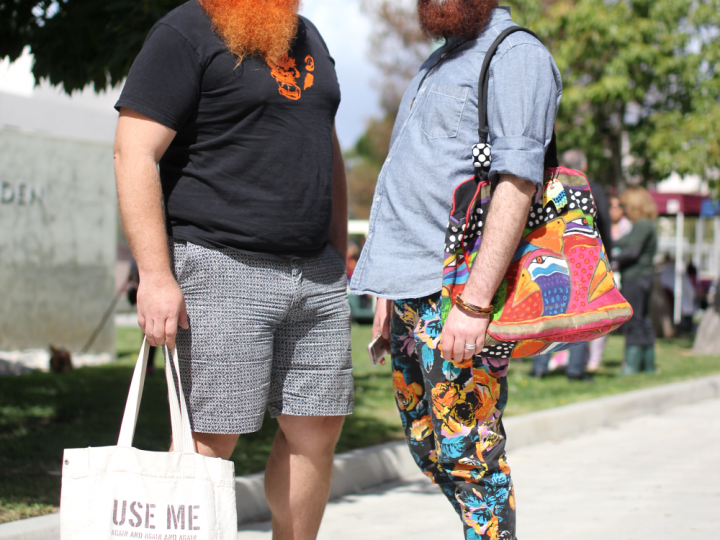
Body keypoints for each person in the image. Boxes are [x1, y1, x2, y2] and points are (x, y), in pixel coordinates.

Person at [113, 1, 353, 537]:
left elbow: (323, 140)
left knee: (316, 433)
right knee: (208, 440)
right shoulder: (185, 31)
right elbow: (133, 153)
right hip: (221, 264)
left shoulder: (306, 35)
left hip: (315, 275)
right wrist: (154, 276)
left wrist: (336, 251)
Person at [350, 1, 562, 538]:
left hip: (458, 296)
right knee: (429, 449)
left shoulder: (514, 54)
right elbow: (411, 177)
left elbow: (517, 182)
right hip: (410, 289)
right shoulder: (441, 60)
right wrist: (386, 290)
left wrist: (473, 303)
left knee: (471, 458)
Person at [528, 149, 612, 380]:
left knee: (550, 309)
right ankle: (575, 368)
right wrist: (608, 258)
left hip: (551, 252)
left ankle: (539, 366)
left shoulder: (550, 186)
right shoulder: (591, 187)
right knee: (581, 311)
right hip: (582, 255)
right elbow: (603, 222)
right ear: (583, 165)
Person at [615, 187, 658, 374]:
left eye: (625, 206)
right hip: (645, 277)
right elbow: (624, 243)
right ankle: (648, 366)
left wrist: (612, 261)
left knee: (634, 321)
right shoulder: (647, 225)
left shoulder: (642, 225)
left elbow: (632, 252)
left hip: (636, 277)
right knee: (644, 321)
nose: (623, 210)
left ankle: (631, 366)